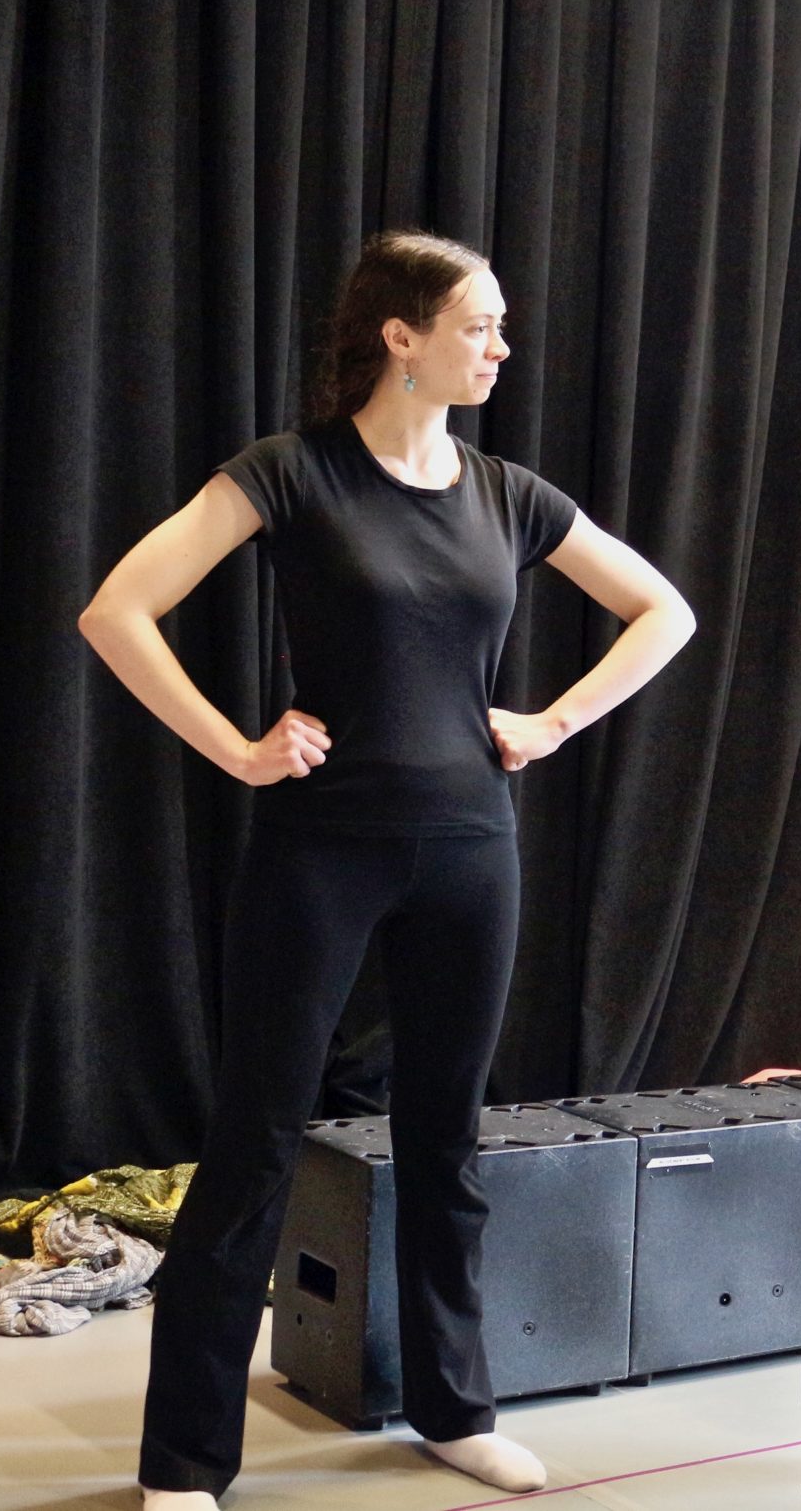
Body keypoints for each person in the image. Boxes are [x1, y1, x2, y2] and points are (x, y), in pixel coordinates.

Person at [78, 231, 696, 1508]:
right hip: (321, 850)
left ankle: (451, 1406)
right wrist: (238, 749)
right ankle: (184, 1462)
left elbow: (664, 612)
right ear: (401, 336)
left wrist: (554, 721)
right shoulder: (293, 475)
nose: (502, 347)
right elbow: (118, 609)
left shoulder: (509, 493)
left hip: (471, 849)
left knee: (444, 1139)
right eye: (481, 324)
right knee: (254, 1143)